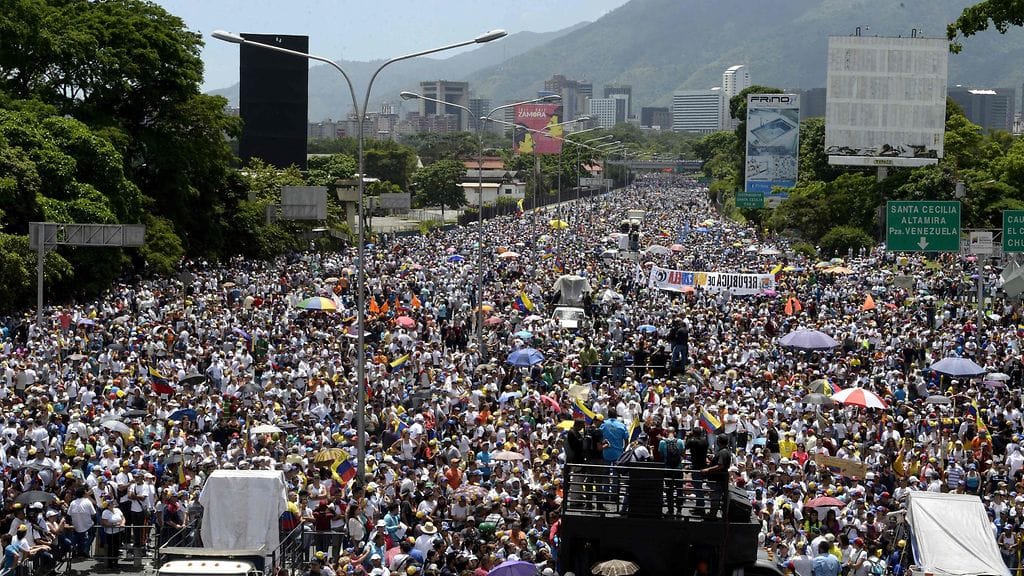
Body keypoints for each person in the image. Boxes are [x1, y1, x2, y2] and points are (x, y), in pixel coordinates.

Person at [701, 433, 732, 519]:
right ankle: (712, 514)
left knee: (715, 497)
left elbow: (720, 465)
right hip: (719, 479)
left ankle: (712, 515)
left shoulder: (723, 452)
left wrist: (708, 470)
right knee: (714, 497)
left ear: (719, 442)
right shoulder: (724, 451)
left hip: (718, 480)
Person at [658, 428, 685, 515]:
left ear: (666, 433)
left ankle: (670, 510)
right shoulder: (680, 442)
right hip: (678, 469)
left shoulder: (662, 442)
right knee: (679, 490)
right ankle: (679, 510)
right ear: (675, 433)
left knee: (669, 490)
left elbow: (661, 455)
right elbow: (683, 454)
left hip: (667, 469)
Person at [101, 496, 126, 570]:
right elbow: (104, 522)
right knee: (111, 549)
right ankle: (110, 564)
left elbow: (123, 518)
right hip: (110, 533)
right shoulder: (105, 512)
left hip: (119, 532)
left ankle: (116, 563)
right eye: (111, 502)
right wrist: (115, 525)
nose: (113, 503)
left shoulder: (117, 509)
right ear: (108, 505)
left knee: (116, 548)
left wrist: (122, 524)